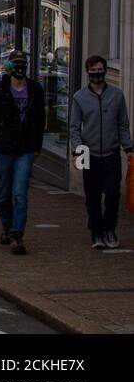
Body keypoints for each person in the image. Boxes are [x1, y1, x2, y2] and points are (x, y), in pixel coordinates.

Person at [69, 54, 133, 249]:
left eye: (100, 70)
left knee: (113, 194)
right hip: (89, 154)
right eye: (93, 71)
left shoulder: (117, 95)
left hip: (112, 152)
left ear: (104, 71)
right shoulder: (79, 97)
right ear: (88, 72)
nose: (97, 74)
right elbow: (74, 127)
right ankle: (96, 233)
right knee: (93, 197)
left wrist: (128, 148)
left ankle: (109, 229)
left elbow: (123, 124)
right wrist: (78, 151)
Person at [0, 50, 46, 255]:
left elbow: (40, 120)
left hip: (26, 148)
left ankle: (17, 233)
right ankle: (6, 226)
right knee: (4, 193)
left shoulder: (36, 89)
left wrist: (37, 145)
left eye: (23, 64)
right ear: (10, 67)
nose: (20, 68)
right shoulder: (0, 89)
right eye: (16, 64)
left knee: (19, 193)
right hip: (4, 147)